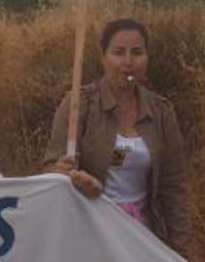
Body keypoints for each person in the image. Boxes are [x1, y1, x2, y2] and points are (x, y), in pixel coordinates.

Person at [44, 18, 191, 249]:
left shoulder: (161, 111)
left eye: (137, 53)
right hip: (91, 231)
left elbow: (173, 185)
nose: (128, 62)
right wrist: (65, 172)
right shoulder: (78, 105)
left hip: (144, 233)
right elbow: (52, 168)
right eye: (118, 53)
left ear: (147, 58)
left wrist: (180, 250)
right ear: (104, 58)